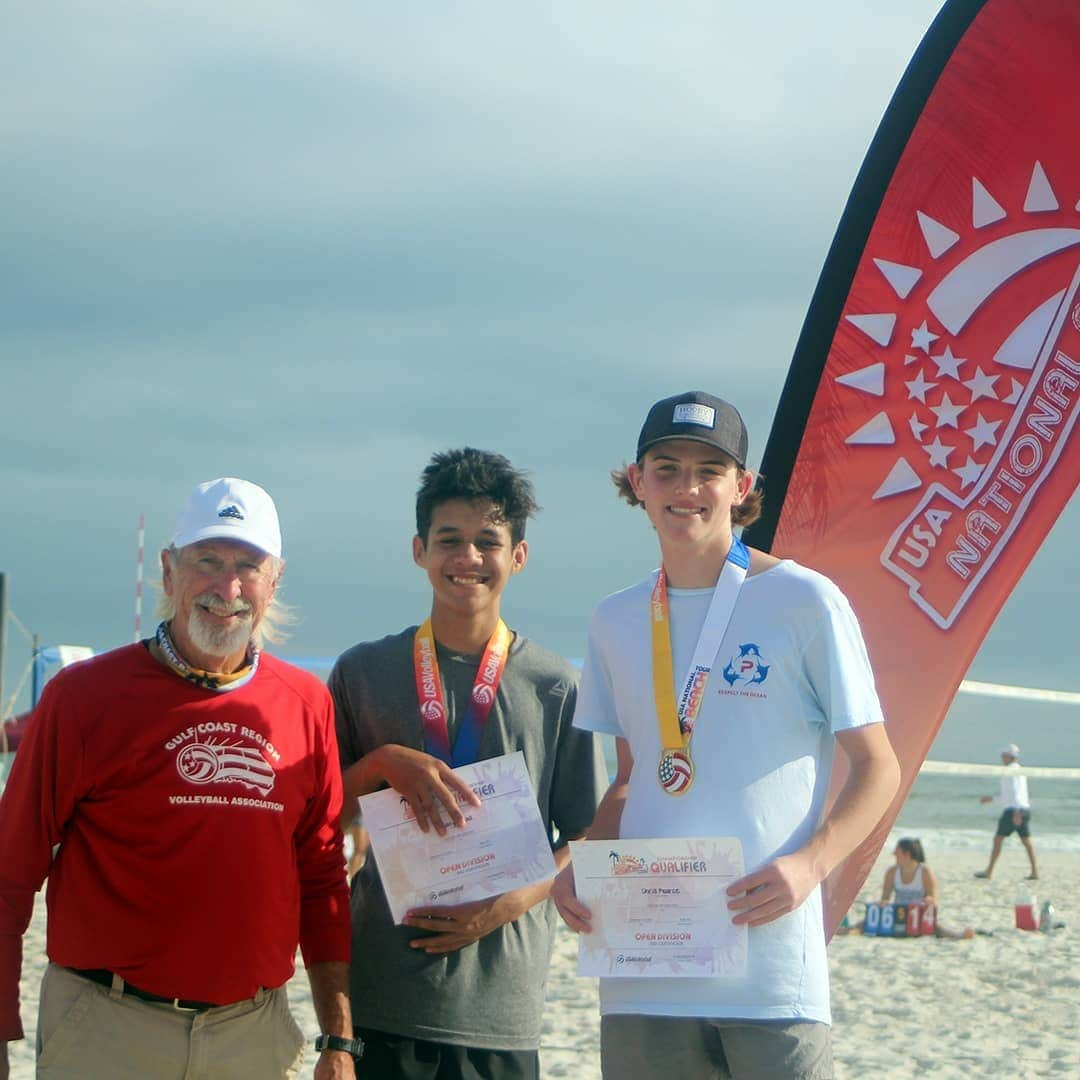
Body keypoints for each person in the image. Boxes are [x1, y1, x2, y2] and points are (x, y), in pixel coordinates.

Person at [552, 391, 901, 1080]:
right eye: (667, 467)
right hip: (644, 967)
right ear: (636, 482)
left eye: (709, 469)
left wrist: (811, 865)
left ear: (741, 487)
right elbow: (633, 779)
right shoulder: (615, 620)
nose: (687, 488)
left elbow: (878, 767)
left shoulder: (804, 600)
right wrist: (581, 861)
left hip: (770, 972)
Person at [0, 478, 357, 1080]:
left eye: (249, 566)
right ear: (168, 570)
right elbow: (9, 873)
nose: (228, 588)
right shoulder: (83, 699)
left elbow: (321, 877)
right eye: (208, 562)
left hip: (251, 1034)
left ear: (275, 582)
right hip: (107, 1029)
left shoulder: (306, 703)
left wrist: (339, 1041)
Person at [329, 447, 607, 1080]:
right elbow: (317, 814)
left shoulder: (555, 684)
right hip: (381, 997)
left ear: (519, 556)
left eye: (488, 541)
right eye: (449, 539)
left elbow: (587, 837)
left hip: (501, 1008)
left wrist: (504, 905)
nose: (468, 559)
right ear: (419, 549)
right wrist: (381, 764)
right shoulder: (362, 672)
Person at [841, 837, 974, 939]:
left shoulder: (924, 872)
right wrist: (883, 902)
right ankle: (848, 931)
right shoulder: (892, 872)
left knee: (936, 928)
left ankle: (959, 935)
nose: (893, 854)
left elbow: (933, 899)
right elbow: (885, 898)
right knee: (866, 922)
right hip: (898, 912)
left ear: (907, 854)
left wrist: (929, 899)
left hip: (917, 914)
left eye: (897, 852)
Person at [975, 742, 1038, 880]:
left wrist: (1016, 811)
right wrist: (991, 799)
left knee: (998, 839)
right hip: (1023, 808)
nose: (1002, 758)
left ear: (1010, 756)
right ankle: (1034, 871)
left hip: (1014, 810)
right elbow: (1010, 795)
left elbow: (1014, 793)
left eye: (1004, 756)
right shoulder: (1020, 770)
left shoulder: (1011, 770)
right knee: (1026, 841)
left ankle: (989, 871)